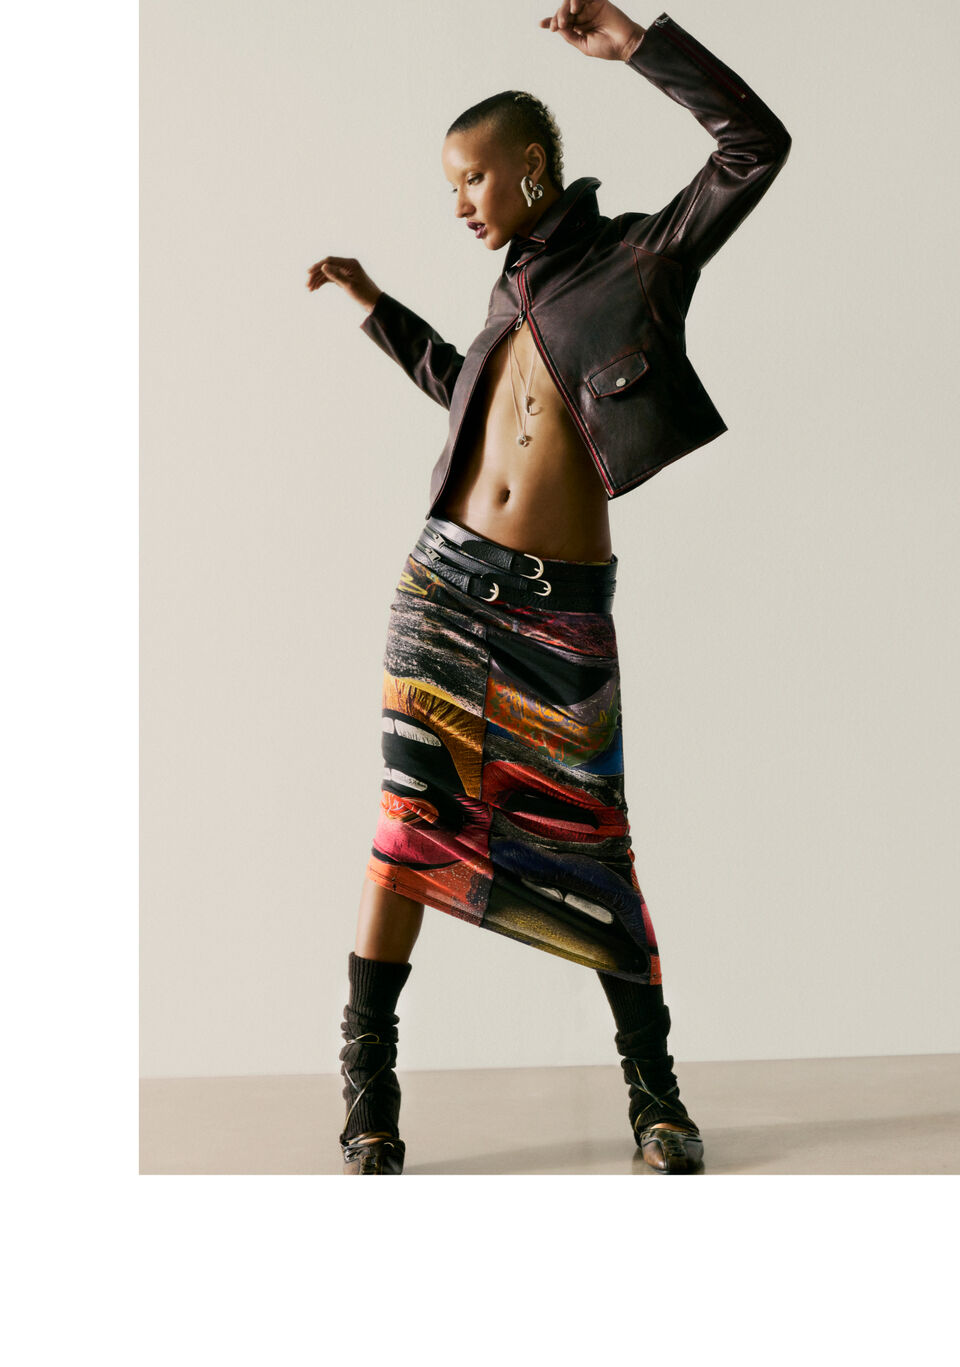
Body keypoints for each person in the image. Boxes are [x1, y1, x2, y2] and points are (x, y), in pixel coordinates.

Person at [307, 2, 790, 1175]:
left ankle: (655, 1098)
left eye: (472, 178)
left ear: (530, 166)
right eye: (451, 187)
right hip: (441, 585)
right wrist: (376, 308)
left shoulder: (640, 259)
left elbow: (756, 146)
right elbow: (460, 392)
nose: (461, 203)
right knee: (411, 823)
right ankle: (369, 1089)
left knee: (594, 843)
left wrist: (638, 48)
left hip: (559, 612)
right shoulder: (503, 296)